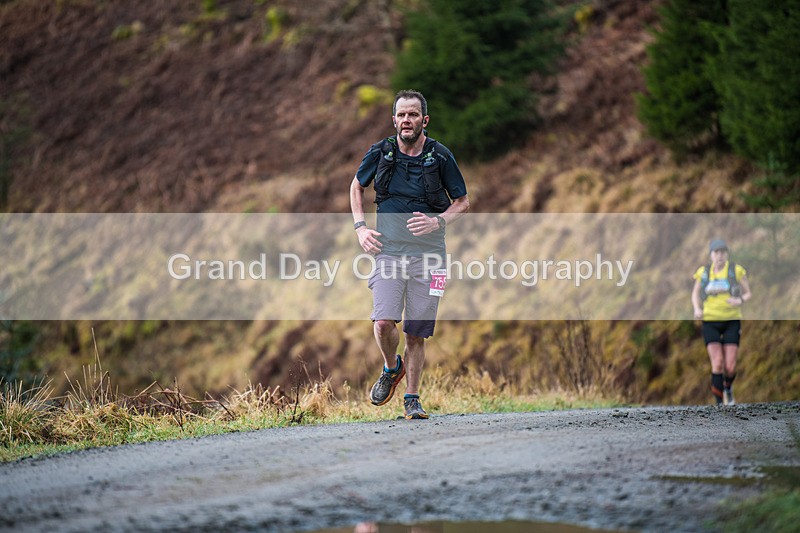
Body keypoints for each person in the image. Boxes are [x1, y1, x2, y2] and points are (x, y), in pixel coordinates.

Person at [349, 89, 470, 419]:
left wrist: (437, 221)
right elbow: (357, 186)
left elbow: (463, 202)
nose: (407, 120)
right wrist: (360, 228)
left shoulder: (441, 156)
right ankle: (392, 368)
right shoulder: (381, 152)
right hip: (388, 253)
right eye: (401, 115)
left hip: (432, 259)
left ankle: (412, 399)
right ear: (394, 120)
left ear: (424, 120)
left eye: (413, 114)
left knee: (417, 331)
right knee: (382, 323)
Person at [691, 239, 751, 406]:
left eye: (723, 252)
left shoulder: (735, 271)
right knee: (717, 363)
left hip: (731, 321)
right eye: (716, 253)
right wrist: (697, 308)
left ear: (727, 254)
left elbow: (748, 293)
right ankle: (718, 404)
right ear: (711, 255)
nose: (720, 256)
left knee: (730, 367)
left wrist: (739, 300)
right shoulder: (704, 273)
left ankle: (728, 388)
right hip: (710, 321)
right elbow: (695, 293)